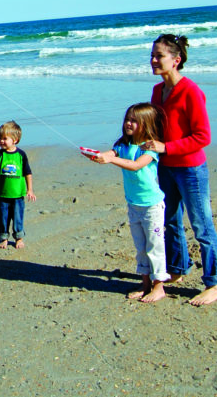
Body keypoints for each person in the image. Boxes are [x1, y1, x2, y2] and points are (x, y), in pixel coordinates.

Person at [142, 34, 217, 306]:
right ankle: (178, 269)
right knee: (169, 222)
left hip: (191, 169)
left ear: (176, 60)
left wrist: (166, 148)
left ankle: (214, 283)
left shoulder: (191, 91)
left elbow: (203, 137)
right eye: (152, 55)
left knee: (202, 226)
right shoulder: (158, 91)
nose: (153, 60)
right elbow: (154, 128)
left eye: (160, 56)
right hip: (165, 168)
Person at [89, 103, 170, 302]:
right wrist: (99, 156)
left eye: (134, 121)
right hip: (134, 204)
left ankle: (159, 286)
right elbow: (112, 154)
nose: (128, 123)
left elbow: (135, 166)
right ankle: (145, 285)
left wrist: (110, 160)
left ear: (146, 124)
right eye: (127, 119)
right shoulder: (123, 144)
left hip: (152, 206)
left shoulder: (149, 148)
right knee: (141, 247)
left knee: (155, 246)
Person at [0, 120, 36, 250]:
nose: (1, 141)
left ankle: (19, 237)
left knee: (18, 217)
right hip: (2, 194)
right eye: (0, 138)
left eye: (5, 138)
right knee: (3, 218)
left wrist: (30, 190)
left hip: (17, 194)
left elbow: (27, 172)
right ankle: (4, 238)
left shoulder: (21, 155)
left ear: (15, 140)